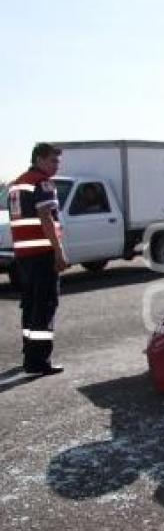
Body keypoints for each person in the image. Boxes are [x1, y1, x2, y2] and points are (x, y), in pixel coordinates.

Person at [7, 143, 67, 376]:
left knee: (30, 305)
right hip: (42, 254)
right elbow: (45, 218)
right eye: (53, 161)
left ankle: (29, 353)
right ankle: (38, 361)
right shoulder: (41, 182)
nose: (56, 166)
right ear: (40, 159)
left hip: (23, 256)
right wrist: (59, 251)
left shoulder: (18, 184)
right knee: (45, 306)